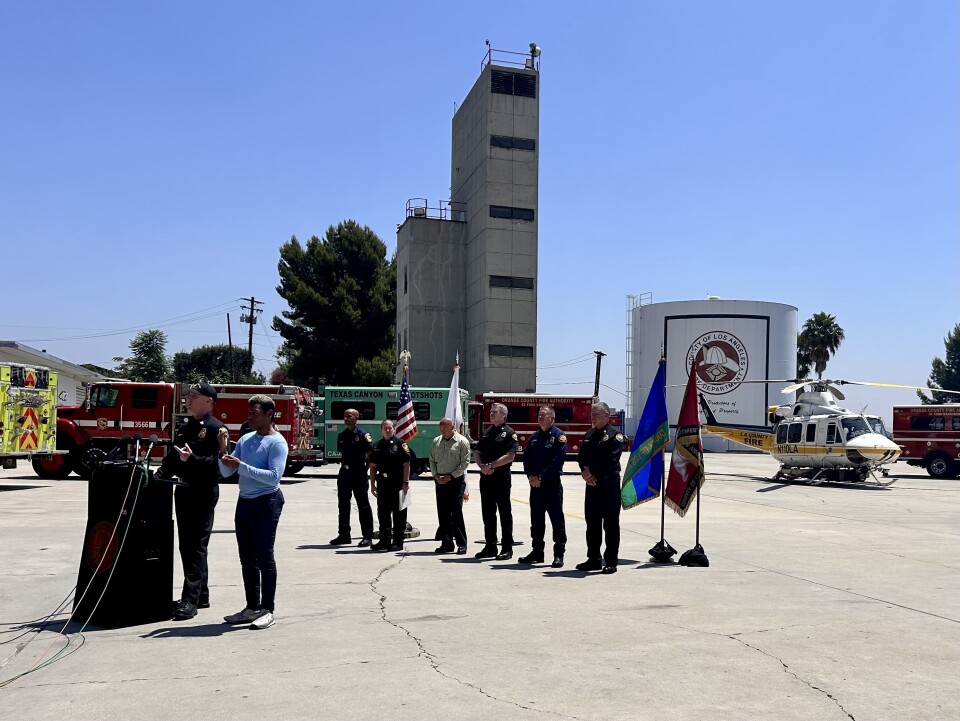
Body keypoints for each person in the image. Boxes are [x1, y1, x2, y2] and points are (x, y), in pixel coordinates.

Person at [157, 381, 226, 621]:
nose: (188, 399)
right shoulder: (187, 427)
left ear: (209, 401)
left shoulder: (218, 429)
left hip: (203, 491)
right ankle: (201, 595)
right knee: (187, 545)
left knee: (196, 545)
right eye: (188, 396)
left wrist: (192, 459)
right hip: (184, 489)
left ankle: (190, 599)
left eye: (194, 396)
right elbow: (174, 457)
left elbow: (218, 465)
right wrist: (157, 477)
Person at [218, 394, 288, 630]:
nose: (249, 417)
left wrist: (242, 467)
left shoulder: (277, 443)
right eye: (248, 413)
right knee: (246, 558)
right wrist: (223, 451)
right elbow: (227, 473)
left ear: (269, 415)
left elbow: (274, 478)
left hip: (267, 501)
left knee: (264, 556)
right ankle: (251, 607)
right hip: (245, 501)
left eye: (254, 413)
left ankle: (268, 609)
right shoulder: (246, 439)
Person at [576, 401, 626, 574]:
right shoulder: (589, 434)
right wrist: (584, 472)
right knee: (592, 524)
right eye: (592, 414)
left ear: (606, 416)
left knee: (611, 525)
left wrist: (592, 473)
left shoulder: (615, 435)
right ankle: (594, 559)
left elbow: (611, 460)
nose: (593, 417)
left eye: (596, 414)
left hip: (608, 486)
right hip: (591, 486)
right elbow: (581, 457)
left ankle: (611, 561)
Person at [520, 406, 568, 568]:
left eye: (544, 415)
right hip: (535, 487)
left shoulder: (559, 437)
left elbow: (557, 462)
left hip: (551, 486)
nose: (540, 417)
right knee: (536, 520)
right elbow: (526, 459)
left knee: (556, 520)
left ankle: (558, 554)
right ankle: (537, 552)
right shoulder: (534, 437)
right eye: (539, 415)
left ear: (552, 419)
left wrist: (541, 477)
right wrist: (530, 477)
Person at [473, 403, 518, 560]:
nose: (491, 414)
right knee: (488, 513)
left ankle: (506, 548)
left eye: (495, 412)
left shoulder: (510, 433)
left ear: (504, 415)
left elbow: (510, 455)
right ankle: (490, 546)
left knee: (504, 513)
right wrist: (481, 466)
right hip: (486, 478)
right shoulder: (487, 432)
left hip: (500, 479)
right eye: (491, 412)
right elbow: (477, 452)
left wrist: (491, 465)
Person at [329, 408, 374, 547]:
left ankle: (367, 536)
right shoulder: (342, 435)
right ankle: (344, 534)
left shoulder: (362, 434)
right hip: (344, 473)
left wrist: (365, 469)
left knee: (363, 504)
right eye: (345, 416)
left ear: (356, 418)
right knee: (343, 505)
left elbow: (371, 452)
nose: (346, 418)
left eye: (349, 416)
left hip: (358, 473)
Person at [429, 417, 470, 554]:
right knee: (443, 513)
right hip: (440, 481)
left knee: (456, 512)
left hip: (455, 481)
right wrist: (435, 475)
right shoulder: (436, 441)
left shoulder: (462, 442)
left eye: (446, 426)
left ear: (453, 427)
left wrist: (450, 476)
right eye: (441, 426)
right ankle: (446, 543)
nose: (443, 429)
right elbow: (432, 460)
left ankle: (461, 544)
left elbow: (465, 462)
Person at [368, 419, 411, 552]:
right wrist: (372, 484)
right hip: (383, 483)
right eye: (385, 428)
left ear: (394, 429)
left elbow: (406, 464)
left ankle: (398, 542)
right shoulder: (376, 446)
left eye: (390, 428)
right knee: (383, 513)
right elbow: (373, 466)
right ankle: (384, 541)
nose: (387, 430)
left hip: (397, 483)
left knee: (399, 514)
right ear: (381, 429)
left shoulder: (400, 444)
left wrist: (405, 482)